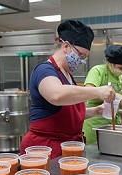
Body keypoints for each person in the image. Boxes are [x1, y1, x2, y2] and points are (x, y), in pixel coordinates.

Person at [20, 20, 116, 159]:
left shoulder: (67, 74)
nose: (82, 61)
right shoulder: (44, 70)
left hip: (66, 147)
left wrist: (96, 111)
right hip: (44, 149)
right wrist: (97, 91)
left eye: (85, 57)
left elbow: (66, 114)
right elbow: (57, 95)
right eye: (81, 55)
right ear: (66, 46)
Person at [82, 45, 122, 145]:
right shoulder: (98, 71)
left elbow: (121, 99)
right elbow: (88, 92)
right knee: (93, 154)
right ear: (111, 63)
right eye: (120, 68)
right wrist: (116, 95)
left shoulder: (119, 77)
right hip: (95, 123)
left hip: (112, 122)